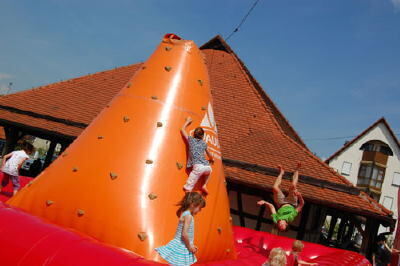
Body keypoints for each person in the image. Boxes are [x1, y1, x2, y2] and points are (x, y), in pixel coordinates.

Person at [155, 192, 206, 266]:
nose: (200, 210)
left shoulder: (185, 214)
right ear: (193, 204)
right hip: (182, 245)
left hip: (181, 244)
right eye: (200, 208)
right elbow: (184, 234)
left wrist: (191, 245)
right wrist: (189, 247)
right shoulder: (188, 216)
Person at [257, 164, 304, 232]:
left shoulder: (276, 219)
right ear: (286, 224)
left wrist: (264, 202)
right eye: (282, 226)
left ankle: (281, 173)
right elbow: (301, 205)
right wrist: (299, 196)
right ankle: (297, 170)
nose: (280, 225)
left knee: (274, 188)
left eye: (279, 226)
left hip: (281, 203)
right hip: (292, 202)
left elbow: (272, 207)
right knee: (293, 186)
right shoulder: (290, 217)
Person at [180, 117, 214, 195]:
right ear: (202, 136)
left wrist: (188, 121)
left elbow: (182, 130)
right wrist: (212, 159)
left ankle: (187, 197)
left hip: (198, 167)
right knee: (209, 171)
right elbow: (210, 155)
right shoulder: (204, 143)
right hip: (207, 167)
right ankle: (204, 185)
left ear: (194, 134)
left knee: (188, 188)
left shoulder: (191, 140)